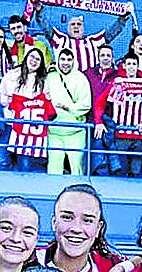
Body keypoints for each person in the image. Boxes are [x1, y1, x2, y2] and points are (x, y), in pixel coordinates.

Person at [34, 1, 134, 74]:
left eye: (79, 24)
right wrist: (39, 11)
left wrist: (123, 18)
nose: (76, 26)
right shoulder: (60, 39)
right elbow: (45, 26)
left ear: (83, 28)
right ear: (68, 28)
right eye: (73, 24)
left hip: (89, 84)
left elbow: (112, 33)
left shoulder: (94, 41)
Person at [0, 46, 56, 172]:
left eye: (38, 59)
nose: (34, 61)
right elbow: (2, 94)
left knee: (24, 162)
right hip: (9, 122)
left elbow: (45, 102)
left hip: (27, 128)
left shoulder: (42, 81)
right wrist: (8, 101)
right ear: (26, 57)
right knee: (2, 158)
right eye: (32, 57)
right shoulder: (12, 74)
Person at [94, 52, 142, 178]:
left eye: (134, 64)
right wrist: (99, 121)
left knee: (136, 173)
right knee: (119, 173)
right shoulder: (117, 83)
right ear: (124, 66)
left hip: (139, 135)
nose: (131, 67)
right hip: (120, 134)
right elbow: (100, 103)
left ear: (138, 66)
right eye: (128, 63)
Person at [45, 48, 92, 176]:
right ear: (58, 60)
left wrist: (69, 108)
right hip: (54, 132)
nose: (65, 63)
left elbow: (86, 104)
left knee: (77, 169)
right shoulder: (50, 77)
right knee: (53, 168)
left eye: (69, 60)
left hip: (76, 132)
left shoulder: (81, 78)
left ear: (73, 61)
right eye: (63, 59)